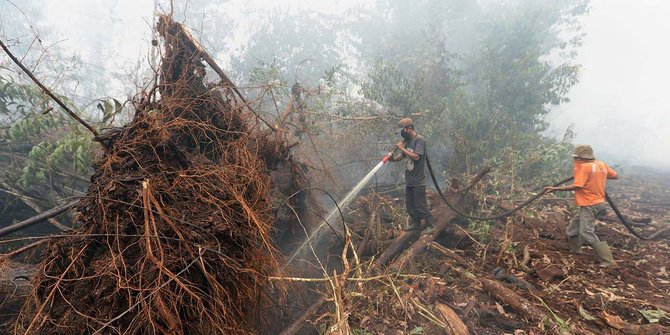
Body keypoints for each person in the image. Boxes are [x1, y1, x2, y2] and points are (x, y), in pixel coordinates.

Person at [544, 144, 618, 267]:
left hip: (590, 204)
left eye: (576, 158)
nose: (575, 160)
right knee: (572, 229)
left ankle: (609, 261)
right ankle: (575, 250)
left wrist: (556, 188)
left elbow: (577, 186)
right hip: (597, 203)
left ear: (579, 158)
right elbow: (615, 176)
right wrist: (597, 178)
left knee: (586, 233)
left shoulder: (584, 167)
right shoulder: (601, 165)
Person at [387, 118, 436, 234]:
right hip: (409, 179)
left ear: (409, 128)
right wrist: (392, 159)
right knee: (410, 205)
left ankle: (430, 226)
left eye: (403, 131)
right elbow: (402, 156)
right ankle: (416, 223)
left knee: (421, 205)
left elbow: (416, 157)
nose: (402, 134)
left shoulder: (419, 140)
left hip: (418, 180)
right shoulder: (407, 142)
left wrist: (401, 148)